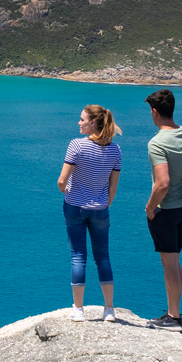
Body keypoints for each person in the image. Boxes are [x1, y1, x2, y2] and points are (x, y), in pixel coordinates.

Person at [57, 105, 121, 321]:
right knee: (103, 257)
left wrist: (66, 192)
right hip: (101, 209)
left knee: (78, 256)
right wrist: (104, 204)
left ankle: (78, 309)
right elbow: (113, 188)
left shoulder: (76, 146)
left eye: (82, 119)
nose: (79, 122)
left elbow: (62, 181)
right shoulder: (115, 150)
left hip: (74, 207)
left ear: (94, 122)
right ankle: (109, 310)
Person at [144, 88, 182, 330]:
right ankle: (173, 311)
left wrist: (150, 207)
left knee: (170, 262)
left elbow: (162, 183)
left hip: (167, 209)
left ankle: (173, 318)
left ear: (154, 112)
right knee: (174, 260)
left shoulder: (157, 143)